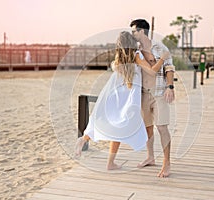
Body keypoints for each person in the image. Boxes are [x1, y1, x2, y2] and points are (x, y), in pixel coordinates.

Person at [75, 31, 170, 170]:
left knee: (115, 124)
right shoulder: (136, 55)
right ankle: (113, 159)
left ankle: (89, 144)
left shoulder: (119, 57)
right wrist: (162, 59)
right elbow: (151, 71)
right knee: (122, 124)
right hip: (128, 95)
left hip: (114, 92)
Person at [130, 19, 175, 177]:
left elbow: (169, 67)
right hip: (142, 94)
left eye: (134, 31)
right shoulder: (135, 50)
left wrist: (170, 87)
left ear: (142, 31)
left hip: (159, 93)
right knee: (147, 128)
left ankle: (166, 163)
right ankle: (150, 157)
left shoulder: (160, 47)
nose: (132, 34)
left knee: (162, 127)